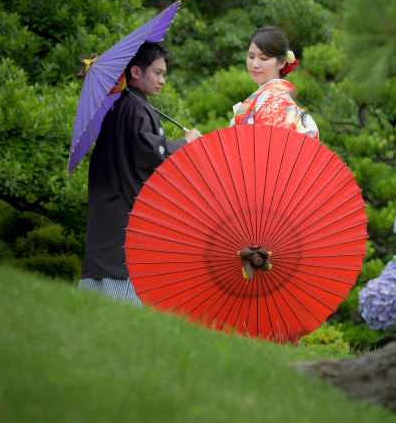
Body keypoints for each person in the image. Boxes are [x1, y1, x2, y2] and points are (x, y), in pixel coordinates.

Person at [78, 41, 201, 306]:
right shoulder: (135, 109)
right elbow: (152, 156)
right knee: (125, 318)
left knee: (90, 316)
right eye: (157, 73)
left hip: (106, 220)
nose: (162, 81)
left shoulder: (120, 107)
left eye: (164, 74)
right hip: (123, 224)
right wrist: (186, 144)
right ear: (136, 71)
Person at [229, 25, 319, 140]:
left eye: (264, 59)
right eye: (251, 56)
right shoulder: (268, 97)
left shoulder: (275, 99)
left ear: (281, 63)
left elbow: (263, 149)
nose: (255, 64)